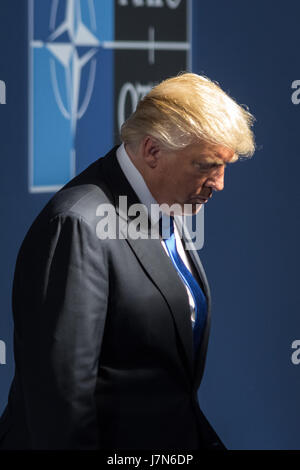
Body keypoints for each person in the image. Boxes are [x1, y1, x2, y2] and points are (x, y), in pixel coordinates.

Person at [0, 73, 255, 450]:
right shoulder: (78, 225)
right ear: (153, 151)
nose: (218, 183)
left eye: (224, 167)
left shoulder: (163, 203)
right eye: (204, 166)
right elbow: (62, 410)